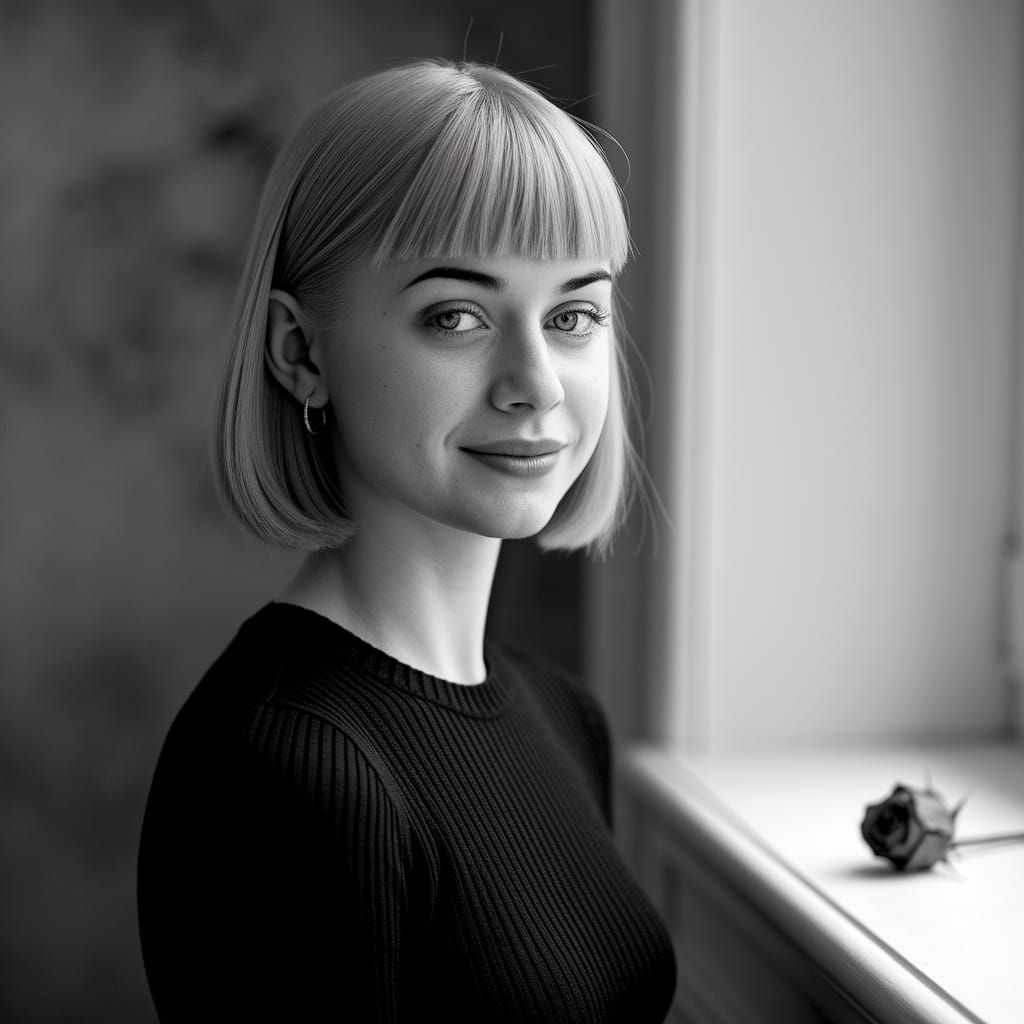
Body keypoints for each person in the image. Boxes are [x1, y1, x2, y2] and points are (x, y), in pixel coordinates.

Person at [136, 58, 677, 1022]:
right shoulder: (286, 767)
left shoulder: (562, 714)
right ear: (300, 353)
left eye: (573, 315)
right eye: (456, 316)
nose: (538, 383)